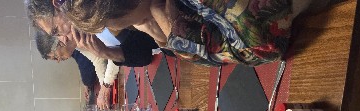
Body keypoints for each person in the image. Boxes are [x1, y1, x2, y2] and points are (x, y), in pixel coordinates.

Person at [60, 0, 316, 66]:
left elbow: (264, 46)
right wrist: (161, 33)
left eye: (115, 24)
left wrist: (171, 28)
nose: (122, 28)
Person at [27, 0, 159, 67]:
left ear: (59, 4)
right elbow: (146, 49)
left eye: (56, 31)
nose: (63, 37)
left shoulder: (97, 11)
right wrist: (104, 52)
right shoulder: (90, 29)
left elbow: (146, 47)